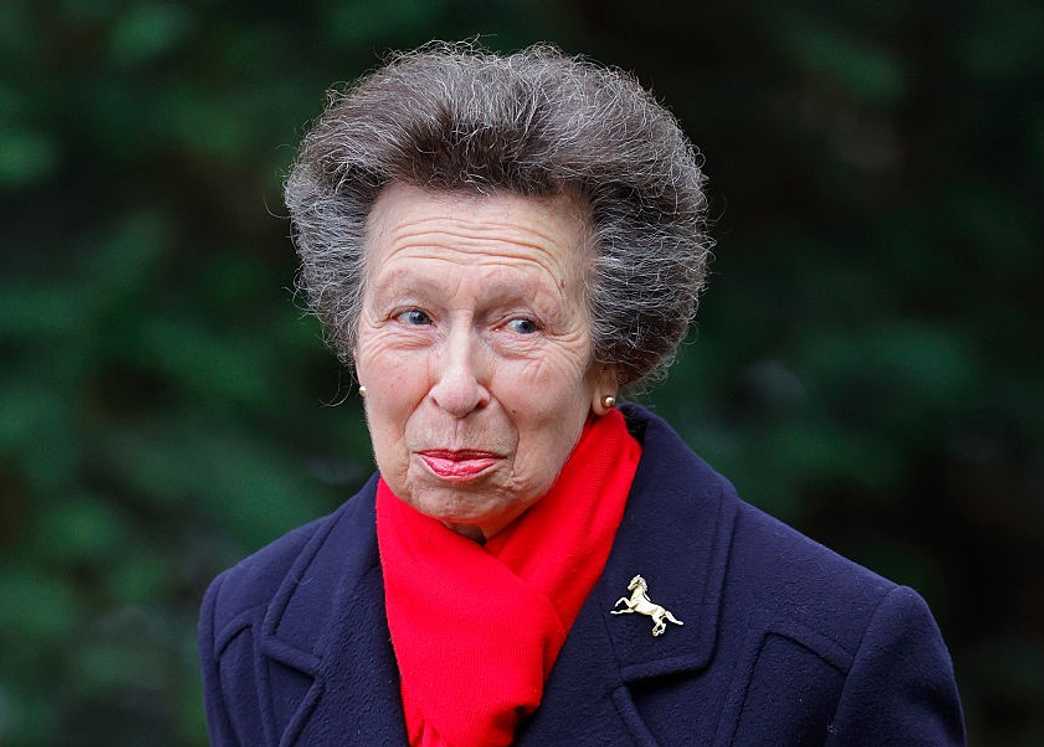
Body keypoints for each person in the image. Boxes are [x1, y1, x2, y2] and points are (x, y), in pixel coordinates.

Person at [198, 42, 965, 746]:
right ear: (352, 333)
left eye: (521, 325)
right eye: (413, 317)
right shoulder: (253, 620)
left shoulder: (835, 649)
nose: (457, 385)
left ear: (614, 356)